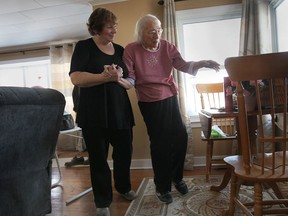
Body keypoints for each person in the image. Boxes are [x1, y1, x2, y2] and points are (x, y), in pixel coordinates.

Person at [123, 14, 220, 204]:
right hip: (149, 101)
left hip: (170, 96)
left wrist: (201, 63)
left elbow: (181, 64)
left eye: (159, 30)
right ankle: (162, 186)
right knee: (160, 143)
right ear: (141, 32)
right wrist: (124, 82)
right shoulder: (131, 50)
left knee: (180, 137)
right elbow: (131, 76)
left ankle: (177, 177)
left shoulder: (167, 46)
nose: (157, 35)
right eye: (152, 31)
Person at [69, 8, 137, 216]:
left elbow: (128, 80)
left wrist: (120, 80)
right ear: (97, 28)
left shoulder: (119, 49)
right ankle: (102, 200)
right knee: (98, 159)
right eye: (110, 26)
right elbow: (77, 78)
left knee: (124, 153)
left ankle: (124, 187)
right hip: (93, 114)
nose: (114, 30)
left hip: (120, 111)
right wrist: (103, 77)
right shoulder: (84, 47)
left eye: (115, 26)